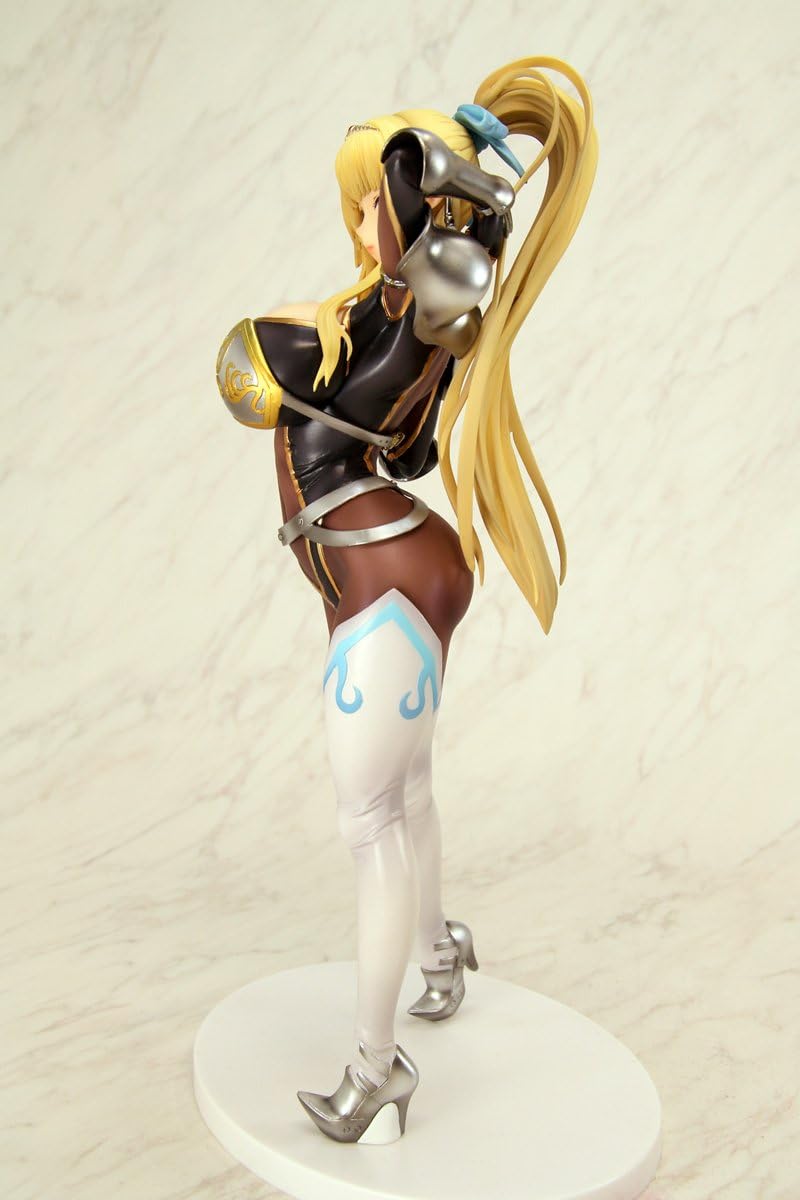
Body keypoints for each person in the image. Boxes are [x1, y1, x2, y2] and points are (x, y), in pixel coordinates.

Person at [216, 55, 598, 1144]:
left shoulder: (402, 312)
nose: (359, 222)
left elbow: (251, 367)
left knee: (369, 820)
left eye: (372, 205)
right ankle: (440, 951)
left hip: (379, 575)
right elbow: (413, 446)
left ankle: (374, 1069)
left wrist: (443, 198)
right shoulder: (398, 322)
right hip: (403, 555)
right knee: (409, 789)